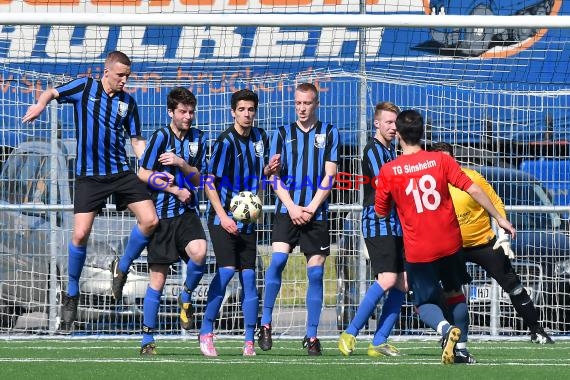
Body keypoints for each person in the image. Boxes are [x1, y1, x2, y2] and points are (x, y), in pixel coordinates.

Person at [22, 51, 158, 331]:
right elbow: (50, 92)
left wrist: (150, 163)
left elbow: (136, 142)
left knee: (150, 220)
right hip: (90, 178)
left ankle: (122, 266)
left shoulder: (127, 103)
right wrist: (40, 105)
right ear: (105, 71)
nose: (124, 80)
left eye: (128, 76)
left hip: (120, 173)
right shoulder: (84, 87)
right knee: (80, 234)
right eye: (120, 75)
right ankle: (71, 294)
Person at [374, 109, 516, 365]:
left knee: (424, 302)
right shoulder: (441, 161)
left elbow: (381, 211)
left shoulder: (389, 171)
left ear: (399, 136)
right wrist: (499, 218)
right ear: (423, 132)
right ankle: (461, 349)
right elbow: (473, 188)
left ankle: (443, 329)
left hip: (419, 248)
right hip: (450, 243)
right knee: (455, 293)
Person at [430, 142, 554, 345]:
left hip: (483, 243)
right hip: (451, 246)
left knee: (513, 285)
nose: (444, 163)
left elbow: (495, 202)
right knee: (450, 291)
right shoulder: (429, 185)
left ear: (454, 159)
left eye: (447, 158)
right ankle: (452, 336)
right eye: (439, 160)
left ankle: (536, 330)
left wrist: (503, 234)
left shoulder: (472, 178)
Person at [258, 82, 339, 356]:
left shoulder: (329, 132)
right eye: (298, 103)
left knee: (315, 273)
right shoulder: (281, 133)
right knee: (278, 261)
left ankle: (312, 335)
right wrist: (292, 206)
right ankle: (266, 323)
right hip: (287, 210)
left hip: (316, 213)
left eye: (307, 103)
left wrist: (312, 208)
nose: (302, 108)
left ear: (316, 104)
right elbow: (273, 176)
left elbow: (330, 175)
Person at [199, 89, 280, 357]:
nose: (247, 114)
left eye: (251, 110)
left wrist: (266, 174)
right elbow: (209, 182)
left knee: (249, 278)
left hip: (247, 220)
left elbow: (258, 176)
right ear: (233, 112)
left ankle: (248, 340)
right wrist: (223, 217)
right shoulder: (224, 142)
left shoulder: (260, 137)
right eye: (242, 110)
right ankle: (206, 331)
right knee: (226, 272)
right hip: (221, 219)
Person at [136, 87, 208, 355]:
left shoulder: (198, 138)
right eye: (183, 112)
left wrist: (180, 163)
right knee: (158, 279)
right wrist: (171, 189)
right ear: (171, 112)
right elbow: (142, 173)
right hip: (162, 216)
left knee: (200, 252)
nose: (188, 117)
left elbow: (199, 179)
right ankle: (147, 338)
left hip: (187, 212)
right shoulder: (159, 137)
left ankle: (186, 294)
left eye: (191, 112)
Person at [338, 102, 406, 357]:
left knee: (402, 283)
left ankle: (379, 340)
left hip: (396, 224)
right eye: (388, 122)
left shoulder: (393, 153)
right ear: (376, 123)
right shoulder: (373, 150)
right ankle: (350, 332)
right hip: (378, 222)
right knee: (388, 279)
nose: (393, 127)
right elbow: (385, 184)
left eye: (395, 123)